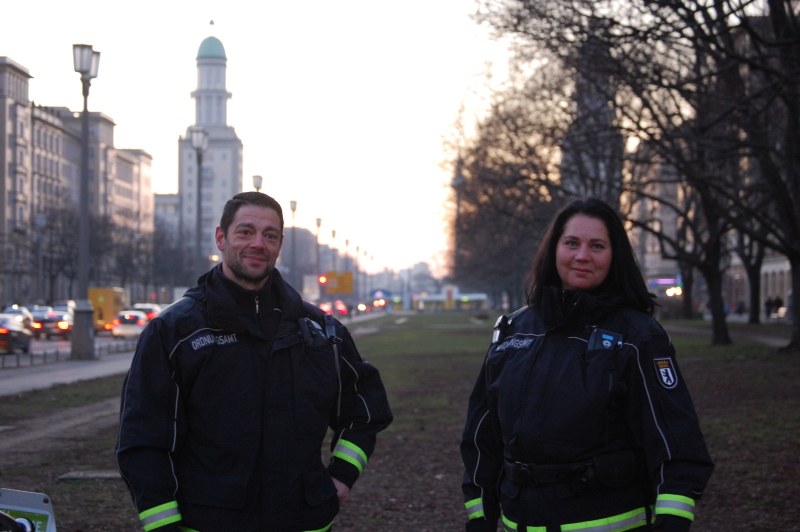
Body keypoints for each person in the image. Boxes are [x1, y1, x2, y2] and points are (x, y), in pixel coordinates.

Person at [117, 192, 392, 532]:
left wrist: (341, 478)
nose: (258, 243)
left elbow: (365, 413)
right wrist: (163, 524)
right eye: (245, 231)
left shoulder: (322, 333)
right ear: (221, 237)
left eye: (270, 235)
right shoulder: (174, 332)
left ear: (279, 245)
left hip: (303, 523)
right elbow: (142, 439)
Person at [461, 198, 713, 532]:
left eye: (597, 245)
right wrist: (480, 515)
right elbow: (483, 435)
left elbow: (674, 440)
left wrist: (673, 520)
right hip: (519, 521)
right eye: (571, 243)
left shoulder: (637, 337)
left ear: (614, 256)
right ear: (554, 249)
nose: (582, 256)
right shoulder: (514, 331)